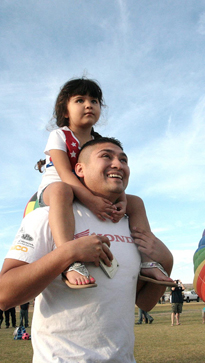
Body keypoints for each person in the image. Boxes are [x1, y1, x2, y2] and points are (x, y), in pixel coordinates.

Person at [0, 137, 171, 363]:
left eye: (124, 159)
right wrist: (69, 253)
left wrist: (168, 261)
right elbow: (4, 295)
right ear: (79, 169)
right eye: (107, 156)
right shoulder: (48, 217)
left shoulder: (131, 224)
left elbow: (146, 303)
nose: (118, 164)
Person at [33, 78, 173, 290]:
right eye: (80, 100)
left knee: (136, 202)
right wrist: (91, 201)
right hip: (57, 187)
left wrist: (123, 200)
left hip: (88, 189)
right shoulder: (59, 135)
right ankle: (69, 259)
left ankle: (147, 261)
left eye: (94, 101)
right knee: (63, 191)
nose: (89, 104)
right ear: (65, 112)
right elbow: (65, 173)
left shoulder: (98, 142)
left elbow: (113, 179)